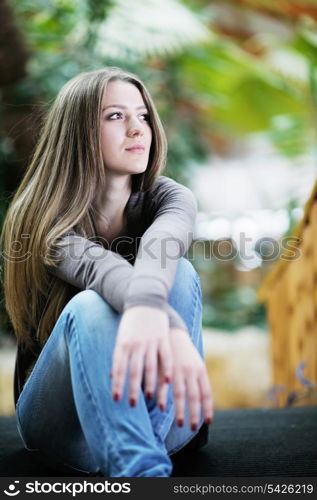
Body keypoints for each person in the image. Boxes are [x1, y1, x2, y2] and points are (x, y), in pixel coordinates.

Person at [0, 67, 213, 477]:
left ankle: (139, 459)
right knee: (92, 304)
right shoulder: (43, 221)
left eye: (144, 115)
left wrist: (159, 314)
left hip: (165, 420)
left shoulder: (171, 197)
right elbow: (103, 272)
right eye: (116, 116)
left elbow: (160, 249)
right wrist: (167, 323)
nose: (138, 129)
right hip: (64, 425)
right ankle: (140, 469)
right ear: (77, 132)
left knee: (179, 272)